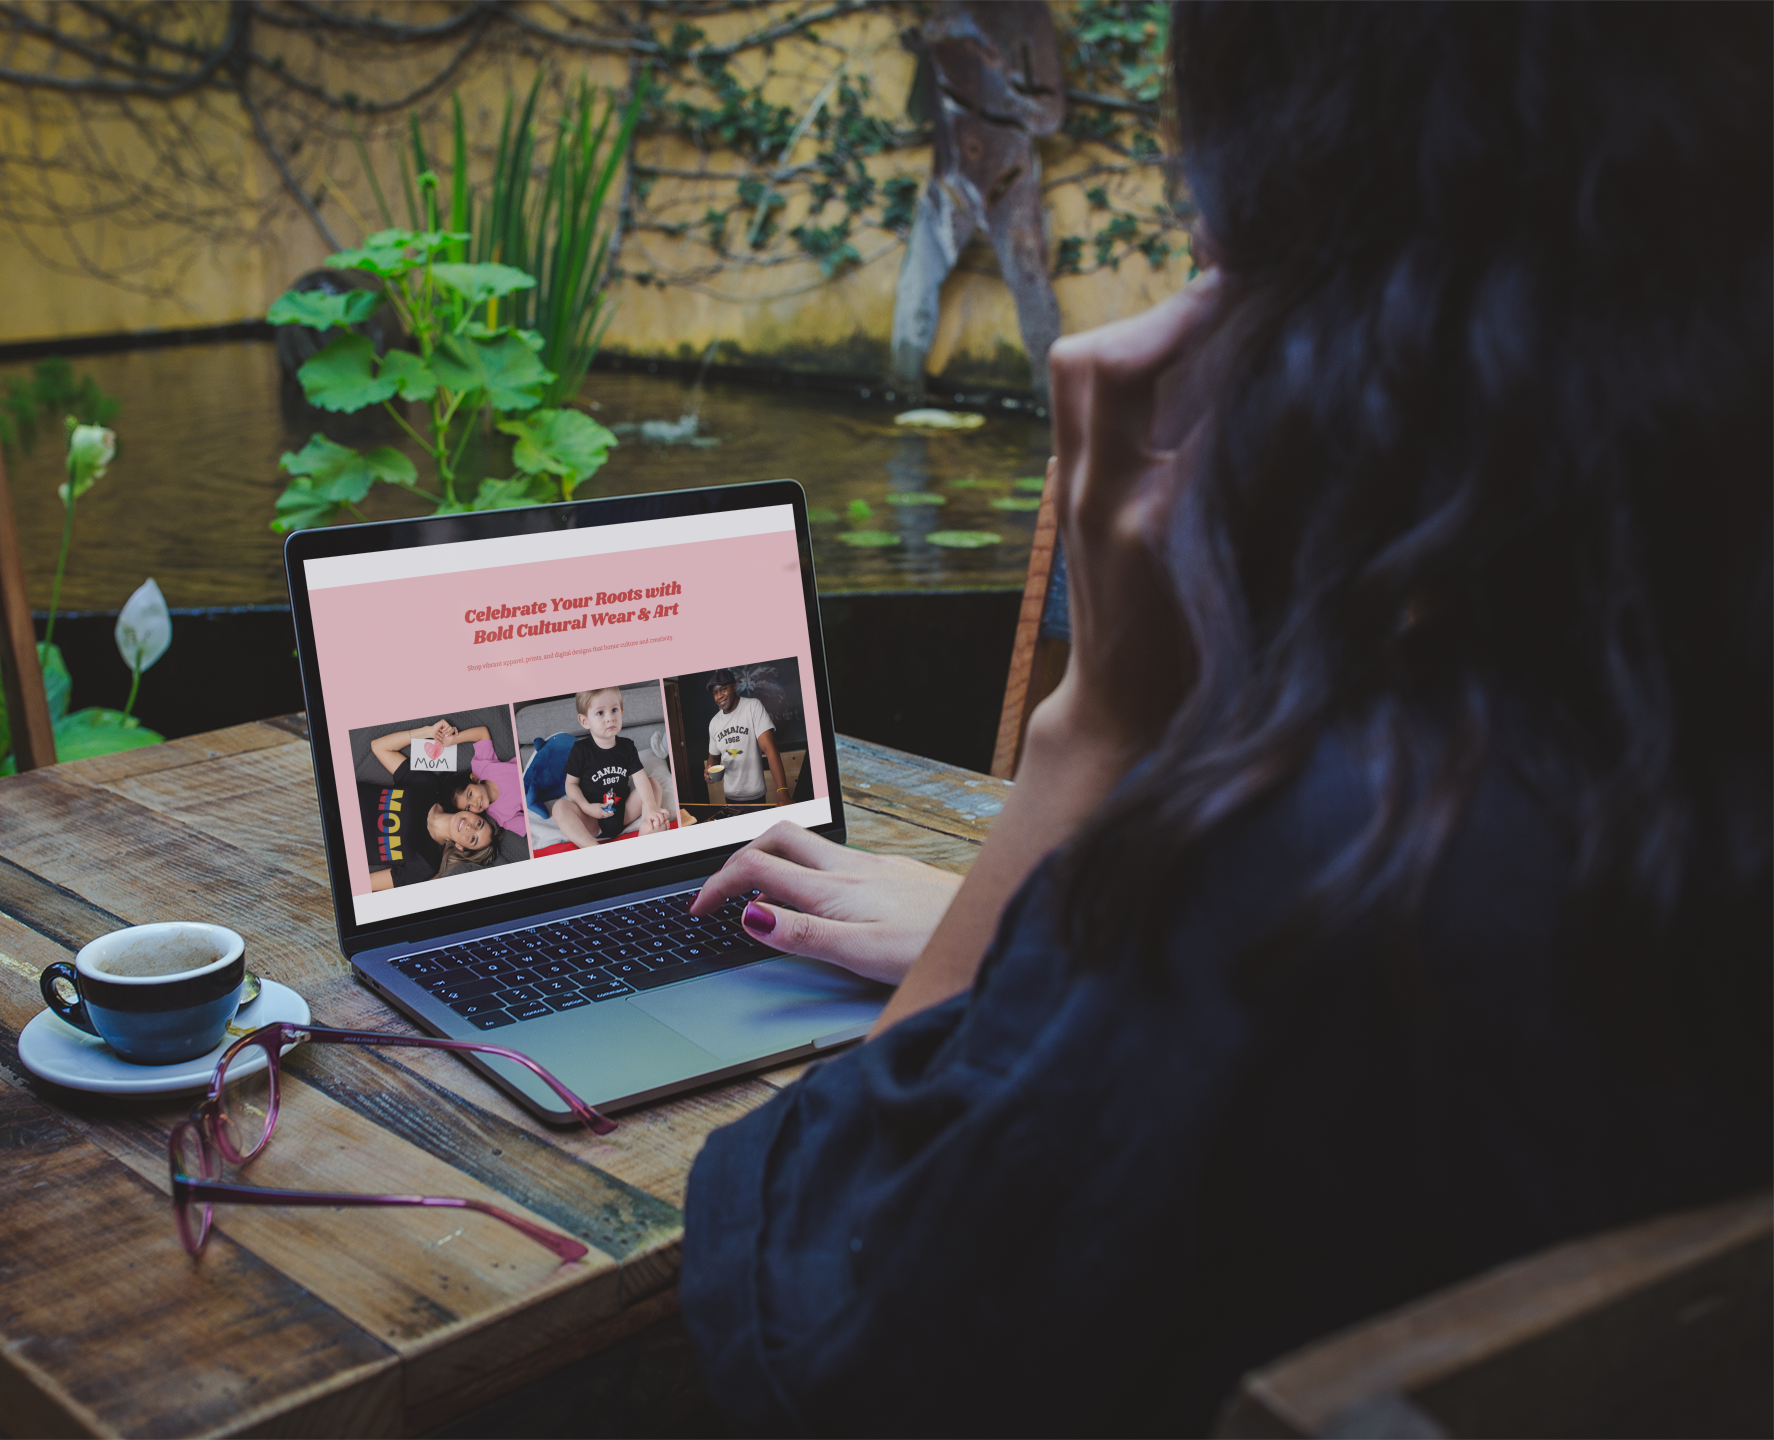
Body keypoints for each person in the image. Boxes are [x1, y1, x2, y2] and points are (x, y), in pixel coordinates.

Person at [678, 6, 1771, 1434]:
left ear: (1310, 275)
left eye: (1215, 204)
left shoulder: (1309, 891)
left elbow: (841, 1313)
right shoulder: (1643, 746)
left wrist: (1099, 732)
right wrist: (1050, 945)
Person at [555, 687, 670, 846]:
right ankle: (591, 847)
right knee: (559, 807)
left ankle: (646, 826)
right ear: (584, 721)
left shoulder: (627, 747)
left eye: (614, 710)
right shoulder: (580, 750)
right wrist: (587, 808)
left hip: (624, 813)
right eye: (600, 713)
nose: (610, 718)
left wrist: (650, 806)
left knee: (652, 783)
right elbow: (570, 784)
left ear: (621, 712)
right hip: (593, 820)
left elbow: (640, 779)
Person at [359, 781, 495, 891]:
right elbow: (379, 747)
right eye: (478, 824)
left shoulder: (428, 864)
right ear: (474, 814)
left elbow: (368, 883)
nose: (469, 828)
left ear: (460, 847)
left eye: (473, 839)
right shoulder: (431, 787)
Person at [704, 670, 789, 806]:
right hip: (730, 796)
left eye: (723, 689)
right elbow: (713, 757)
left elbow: (769, 747)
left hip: (756, 795)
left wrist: (783, 794)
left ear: (734, 687)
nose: (719, 696)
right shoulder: (714, 723)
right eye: (715, 692)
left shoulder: (753, 707)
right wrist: (710, 772)